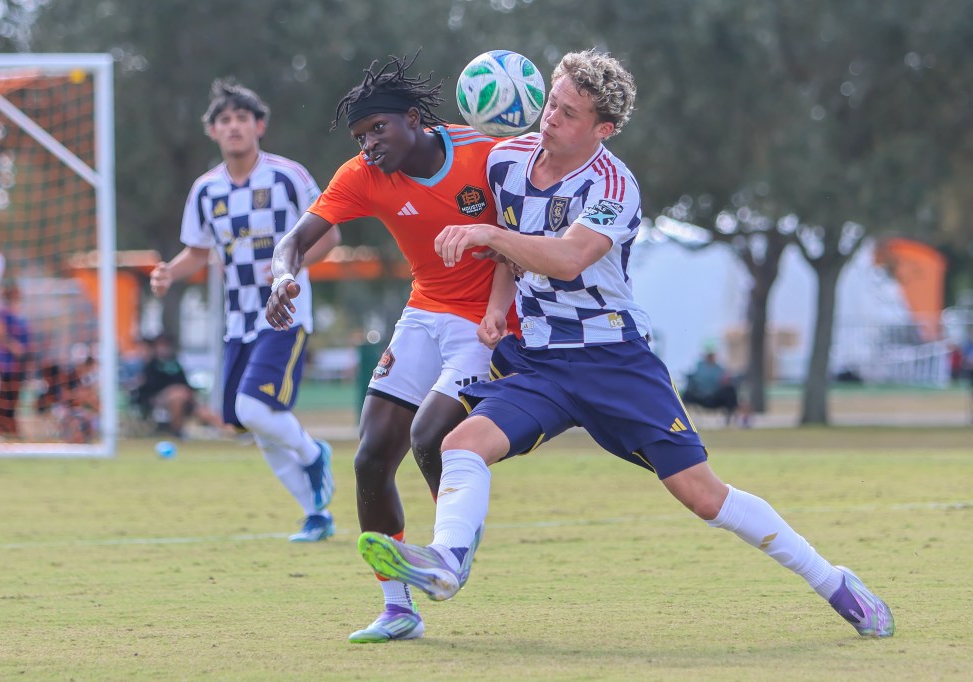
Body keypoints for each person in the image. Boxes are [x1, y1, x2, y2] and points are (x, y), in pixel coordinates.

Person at [357, 49, 895, 639]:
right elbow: (510, 250)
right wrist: (492, 310)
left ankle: (833, 581)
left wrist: (489, 231)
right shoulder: (506, 161)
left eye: (567, 112)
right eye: (551, 103)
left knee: (703, 496)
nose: (550, 118)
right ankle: (448, 563)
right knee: (461, 444)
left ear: (602, 129)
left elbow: (565, 259)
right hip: (540, 362)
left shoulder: (613, 184)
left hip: (613, 360)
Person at [266, 54, 512, 643]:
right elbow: (295, 240)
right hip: (424, 313)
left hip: (489, 324)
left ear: (414, 118)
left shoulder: (484, 149)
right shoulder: (360, 176)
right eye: (360, 136)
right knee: (370, 458)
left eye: (379, 129)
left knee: (431, 436)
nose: (370, 144)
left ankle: (450, 551)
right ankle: (399, 609)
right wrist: (282, 277)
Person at [150, 78, 341, 543]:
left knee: (253, 408)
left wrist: (285, 270)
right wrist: (169, 274)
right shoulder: (205, 191)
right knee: (252, 424)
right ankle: (315, 514)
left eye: (241, 119)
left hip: (284, 314)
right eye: (224, 120)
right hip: (236, 321)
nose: (233, 127)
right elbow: (197, 251)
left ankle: (314, 453)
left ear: (260, 126)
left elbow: (330, 237)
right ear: (212, 132)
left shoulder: (288, 176)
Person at [132, 334, 227, 438]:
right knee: (177, 395)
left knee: (204, 411)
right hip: (162, 399)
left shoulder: (175, 363)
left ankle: (232, 430)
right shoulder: (151, 365)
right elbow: (147, 386)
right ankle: (177, 431)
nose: (163, 348)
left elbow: (185, 383)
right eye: (160, 345)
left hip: (185, 398)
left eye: (165, 345)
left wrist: (187, 392)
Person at [0, 282, 30, 439]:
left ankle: (9, 428)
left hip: (19, 363)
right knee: (5, 394)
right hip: (6, 362)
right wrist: (13, 346)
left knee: (14, 395)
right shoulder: (3, 312)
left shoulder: (18, 314)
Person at [681, 348, 747, 426]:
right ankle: (680, 419)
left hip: (715, 398)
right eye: (709, 355)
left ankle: (730, 420)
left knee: (730, 391)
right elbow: (692, 380)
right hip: (700, 397)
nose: (710, 357)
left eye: (712, 355)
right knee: (686, 394)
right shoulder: (699, 366)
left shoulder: (719, 369)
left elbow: (726, 380)